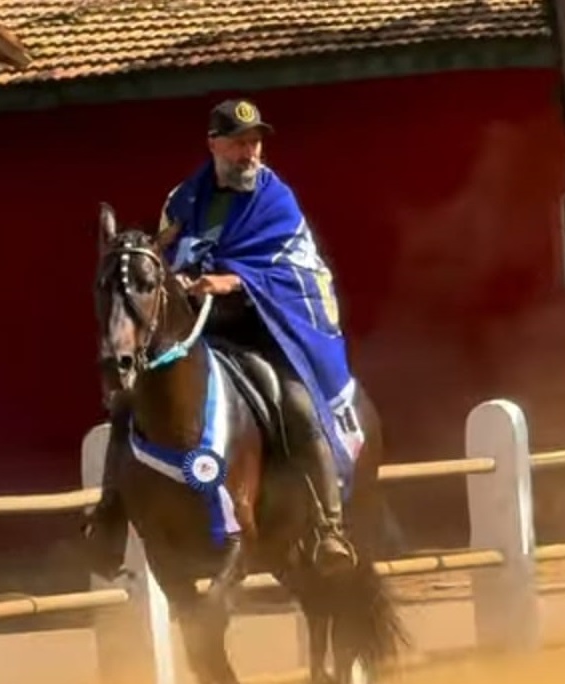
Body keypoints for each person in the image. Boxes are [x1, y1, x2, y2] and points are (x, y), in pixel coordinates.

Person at [88, 98, 363, 577]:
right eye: (238, 143)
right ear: (213, 145)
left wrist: (231, 281)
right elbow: (165, 259)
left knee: (296, 403)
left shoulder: (276, 200)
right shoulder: (183, 200)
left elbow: (292, 269)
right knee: (129, 403)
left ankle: (328, 528)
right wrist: (180, 284)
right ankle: (109, 518)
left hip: (266, 327)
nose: (249, 153)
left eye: (254, 142)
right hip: (200, 328)